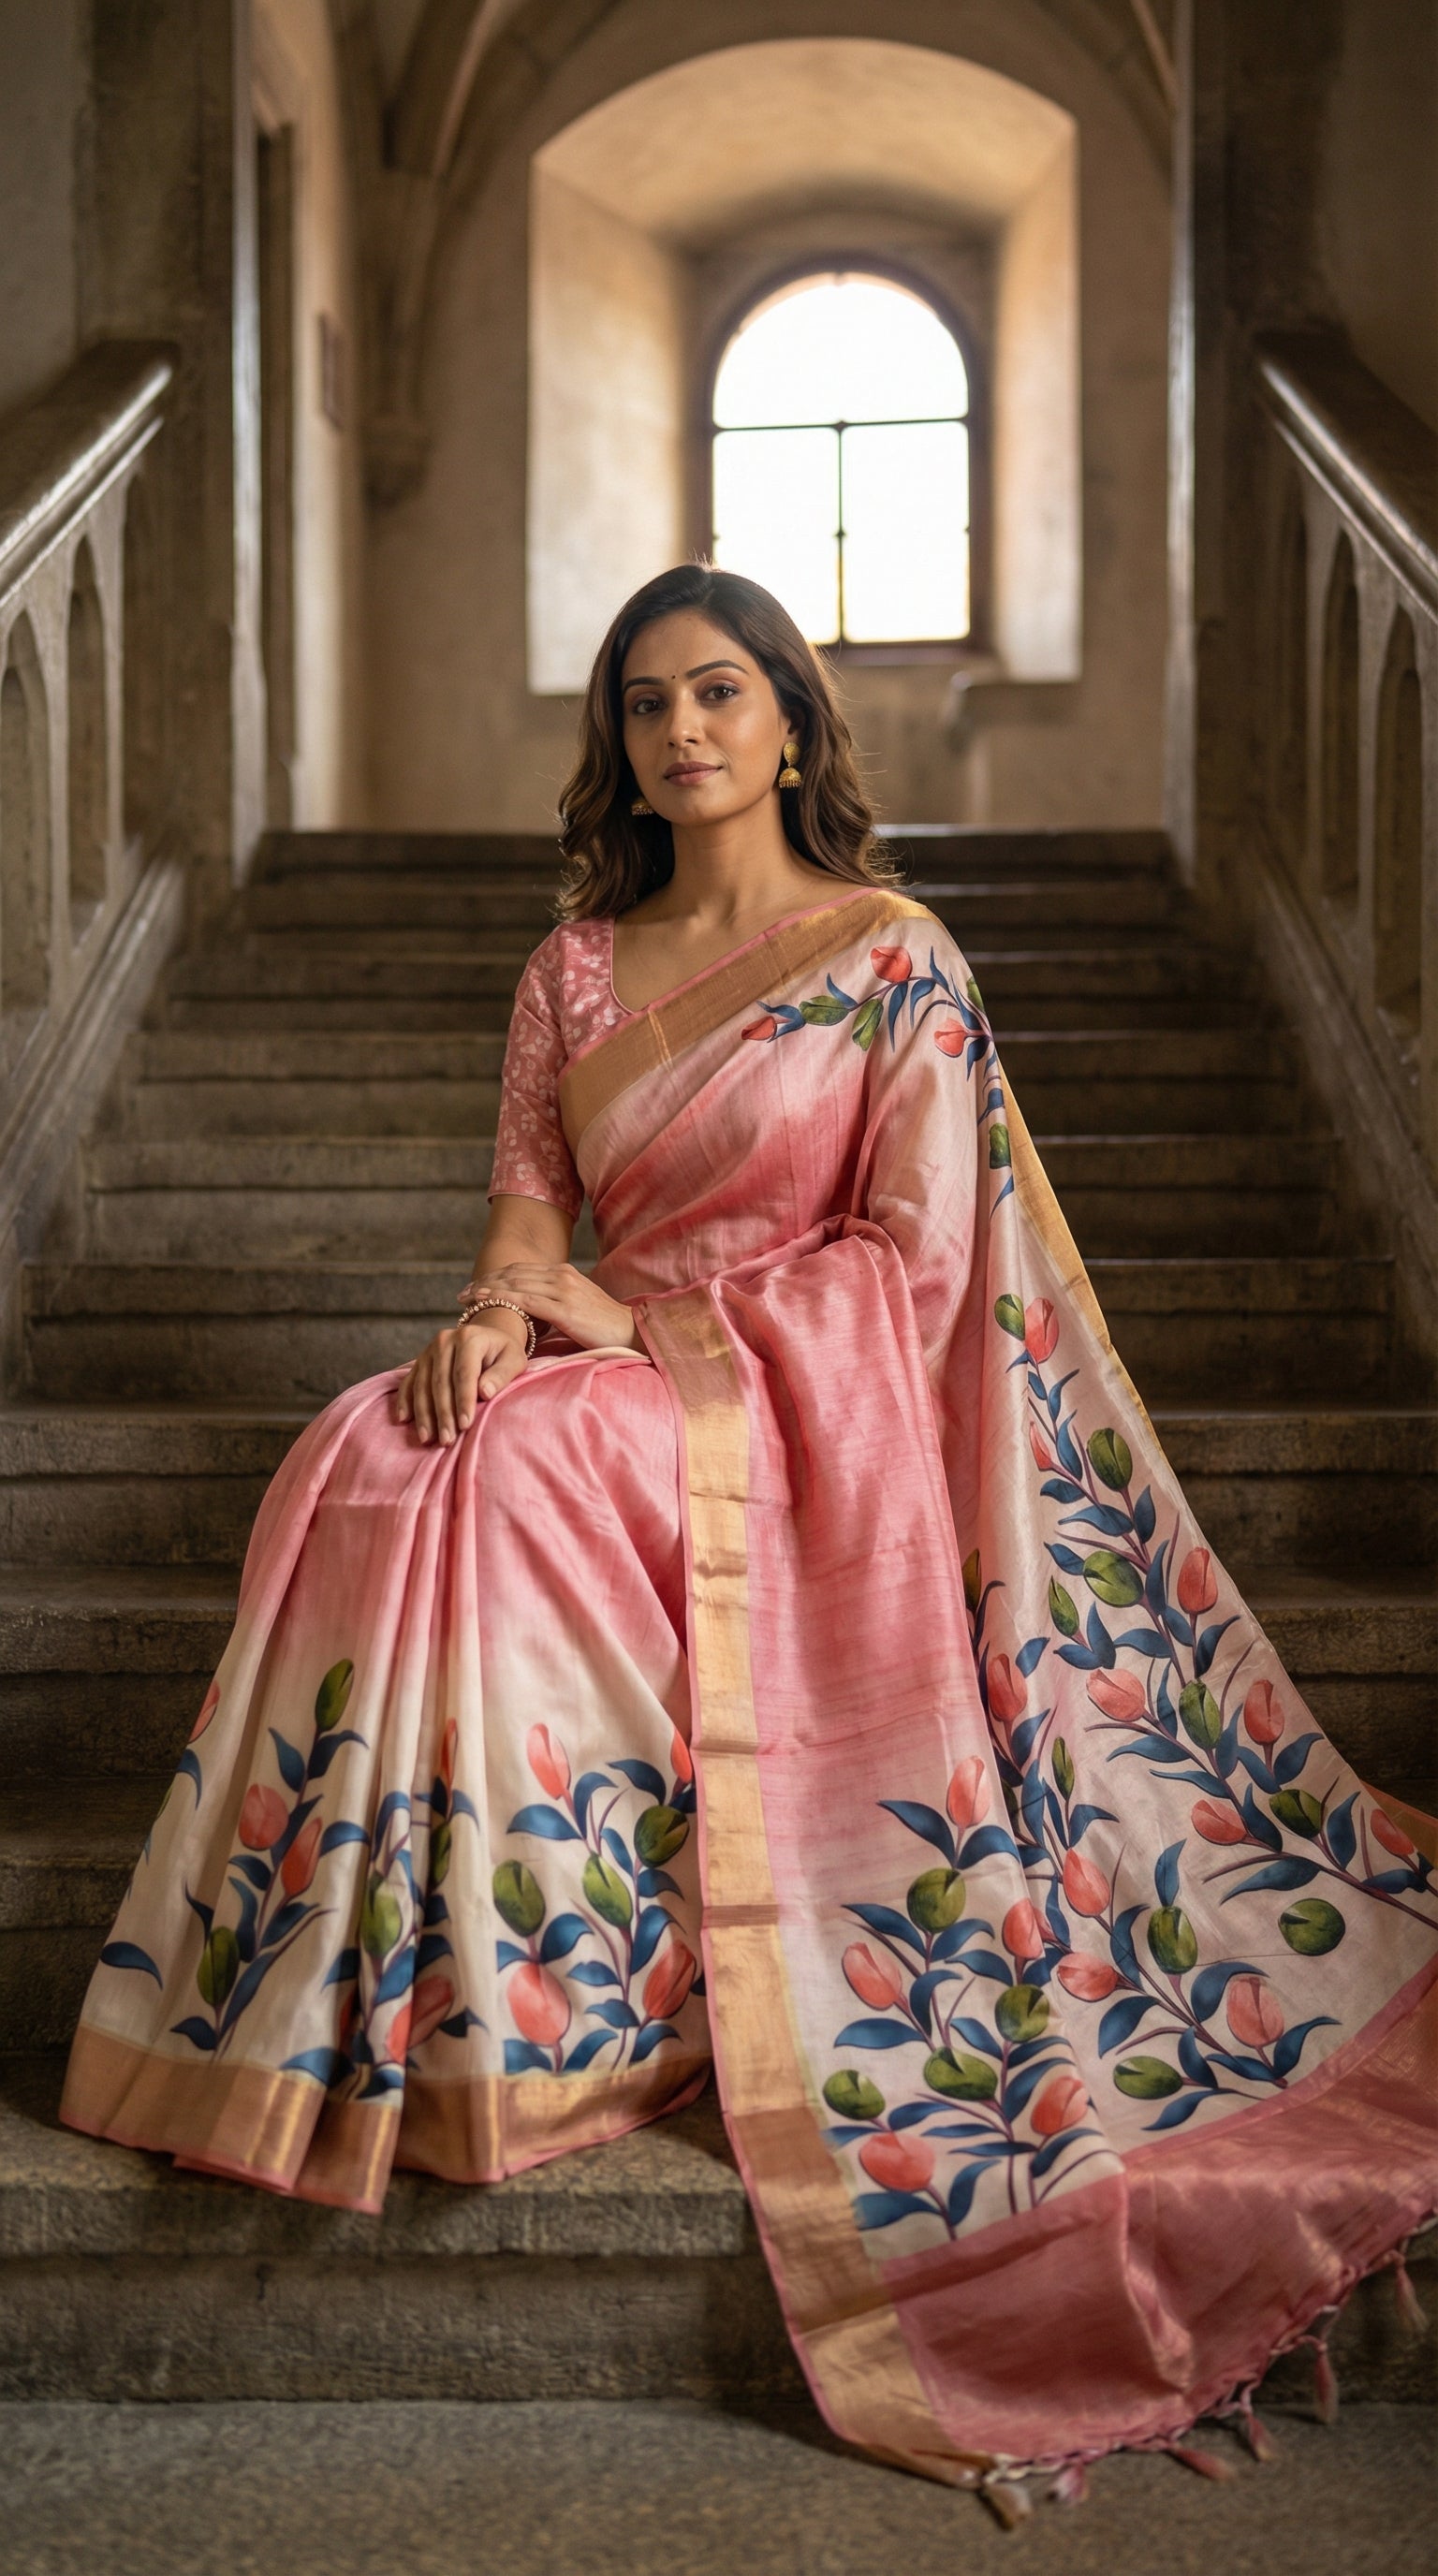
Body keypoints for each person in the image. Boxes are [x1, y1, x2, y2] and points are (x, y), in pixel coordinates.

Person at [62, 565, 1436, 2503]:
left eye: (720, 693)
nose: (680, 730)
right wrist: (489, 1312)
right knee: (366, 1447)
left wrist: (659, 1324)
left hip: (791, 1415)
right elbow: (531, 1207)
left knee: (515, 1474)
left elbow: (920, 1260)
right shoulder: (575, 965)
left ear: (792, 718)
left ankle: (572, 2008)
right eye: (644, 702)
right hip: (608, 1360)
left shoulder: (892, 956)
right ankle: (424, 2007)